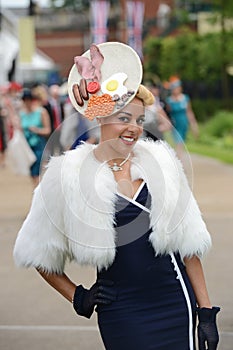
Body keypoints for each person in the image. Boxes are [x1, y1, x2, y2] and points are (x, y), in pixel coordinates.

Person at [13, 42, 220, 350]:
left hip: (176, 303)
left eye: (139, 120)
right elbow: (36, 251)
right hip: (122, 313)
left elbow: (188, 246)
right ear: (100, 117)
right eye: (124, 118)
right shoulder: (67, 175)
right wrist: (78, 295)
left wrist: (205, 312)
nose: (134, 129)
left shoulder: (161, 164)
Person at [18, 88, 51, 187]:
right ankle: (36, 193)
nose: (26, 102)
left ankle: (36, 195)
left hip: (39, 146)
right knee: (32, 174)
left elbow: (48, 130)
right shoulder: (22, 114)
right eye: (24, 100)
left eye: (28, 99)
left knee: (37, 173)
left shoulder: (41, 112)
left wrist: (37, 130)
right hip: (27, 147)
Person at [165, 76, 199, 161]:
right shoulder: (169, 100)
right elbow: (167, 114)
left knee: (181, 143)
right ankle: (178, 162)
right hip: (175, 124)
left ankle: (178, 161)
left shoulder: (185, 99)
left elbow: (189, 112)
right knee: (178, 142)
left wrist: (194, 125)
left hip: (184, 124)